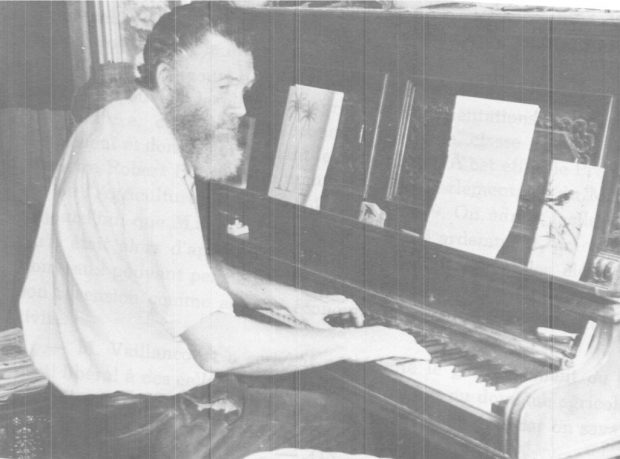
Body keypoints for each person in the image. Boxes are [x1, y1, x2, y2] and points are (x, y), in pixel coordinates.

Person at [19, 3, 429, 458]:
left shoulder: (119, 127)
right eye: (223, 86)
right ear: (169, 77)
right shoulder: (141, 162)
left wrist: (286, 298)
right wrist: (354, 342)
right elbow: (218, 349)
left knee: (339, 416)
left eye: (245, 88)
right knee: (363, 428)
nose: (240, 108)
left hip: (102, 413)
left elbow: (181, 265)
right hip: (146, 429)